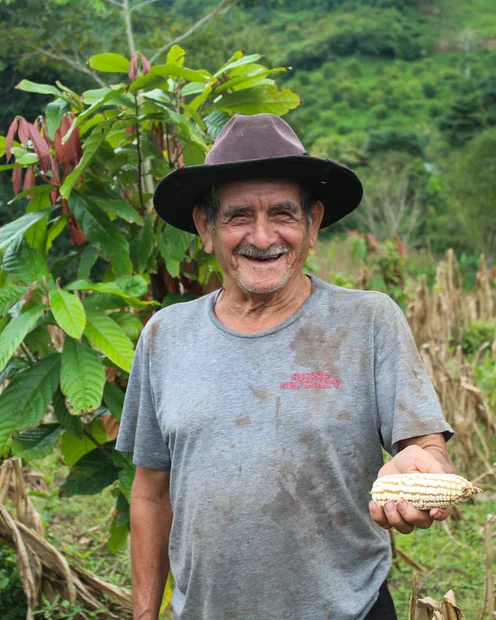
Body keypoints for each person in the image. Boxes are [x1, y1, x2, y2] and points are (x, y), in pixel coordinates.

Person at [116, 113, 455, 620]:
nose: (262, 235)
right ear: (206, 228)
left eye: (282, 213)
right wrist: (144, 615)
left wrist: (427, 470)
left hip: (350, 611)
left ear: (313, 223)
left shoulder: (368, 321)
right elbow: (150, 494)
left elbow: (424, 446)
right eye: (237, 217)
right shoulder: (165, 335)